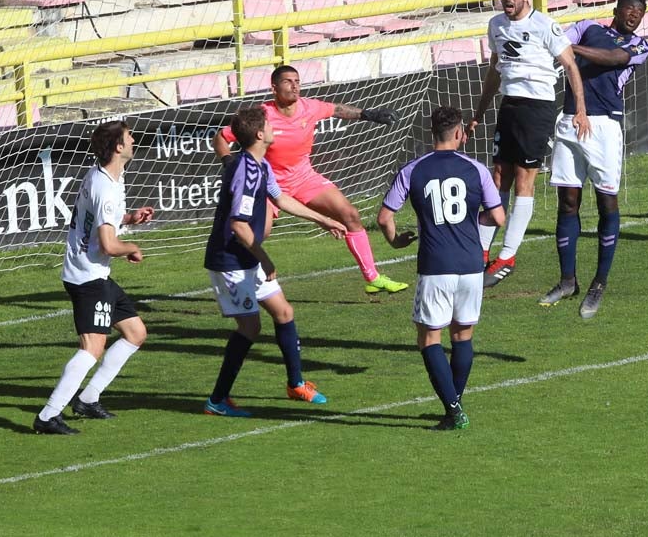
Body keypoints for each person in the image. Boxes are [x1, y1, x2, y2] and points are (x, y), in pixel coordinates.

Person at [203, 106, 348, 417]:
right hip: (231, 261)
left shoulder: (261, 165)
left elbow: (281, 199)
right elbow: (238, 225)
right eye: (269, 125)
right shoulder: (246, 171)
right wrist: (265, 260)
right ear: (259, 134)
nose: (274, 129)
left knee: (283, 312)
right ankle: (217, 400)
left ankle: (296, 385)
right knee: (250, 327)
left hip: (246, 257)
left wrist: (322, 219)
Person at [211, 65, 407, 295]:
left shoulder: (309, 107)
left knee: (350, 215)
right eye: (287, 81)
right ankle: (235, 275)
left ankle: (373, 277)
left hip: (304, 177)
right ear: (274, 88)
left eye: (297, 80)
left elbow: (337, 109)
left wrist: (368, 114)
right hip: (270, 184)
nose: (294, 85)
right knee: (256, 234)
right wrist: (228, 160)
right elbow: (220, 137)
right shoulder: (261, 116)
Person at [377, 107, 505, 430]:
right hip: (472, 265)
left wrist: (396, 242)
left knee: (429, 339)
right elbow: (498, 217)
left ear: (432, 133)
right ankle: (453, 406)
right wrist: (472, 222)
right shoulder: (477, 170)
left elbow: (384, 217)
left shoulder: (412, 171)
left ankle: (453, 409)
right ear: (460, 133)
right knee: (463, 335)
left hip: (436, 266)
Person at [470, 0, 591, 287]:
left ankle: (507, 256)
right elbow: (495, 71)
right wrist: (479, 111)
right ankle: (480, 253)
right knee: (498, 178)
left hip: (537, 108)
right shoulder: (495, 25)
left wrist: (580, 109)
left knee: (525, 180)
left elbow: (569, 65)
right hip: (508, 105)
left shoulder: (544, 25)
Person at [34, 120, 156, 435]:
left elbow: (101, 222)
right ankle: (48, 415)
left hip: (93, 271)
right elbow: (108, 244)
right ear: (118, 146)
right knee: (92, 347)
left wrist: (128, 219)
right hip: (88, 277)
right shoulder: (106, 188)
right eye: (129, 137)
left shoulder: (108, 176)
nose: (133, 140)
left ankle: (88, 399)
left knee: (135, 333)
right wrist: (131, 246)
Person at [540, 0, 648, 319]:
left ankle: (599, 283)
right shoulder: (587, 25)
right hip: (570, 119)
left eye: (639, 13)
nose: (634, 16)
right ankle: (567, 280)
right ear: (616, 10)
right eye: (629, 10)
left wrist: (570, 49)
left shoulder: (640, 46)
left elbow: (614, 59)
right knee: (568, 201)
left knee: (607, 202)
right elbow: (557, 40)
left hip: (604, 125)